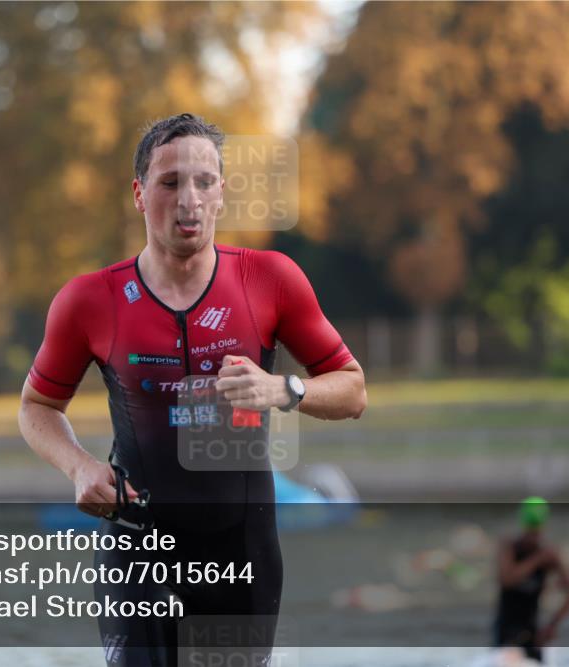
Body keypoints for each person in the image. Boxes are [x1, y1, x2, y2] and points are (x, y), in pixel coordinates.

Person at [18, 113, 367, 666]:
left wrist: (283, 389)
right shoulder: (90, 300)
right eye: (171, 182)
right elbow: (37, 406)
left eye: (205, 182)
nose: (189, 200)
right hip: (137, 548)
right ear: (139, 194)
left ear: (222, 194)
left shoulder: (269, 280)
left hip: (240, 552)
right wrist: (79, 467)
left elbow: (353, 390)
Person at [494, 497, 569, 663]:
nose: (532, 535)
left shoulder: (549, 555)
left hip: (532, 631)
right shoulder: (510, 548)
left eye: (535, 531)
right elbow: (507, 580)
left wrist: (552, 626)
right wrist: (537, 560)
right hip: (506, 630)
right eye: (530, 531)